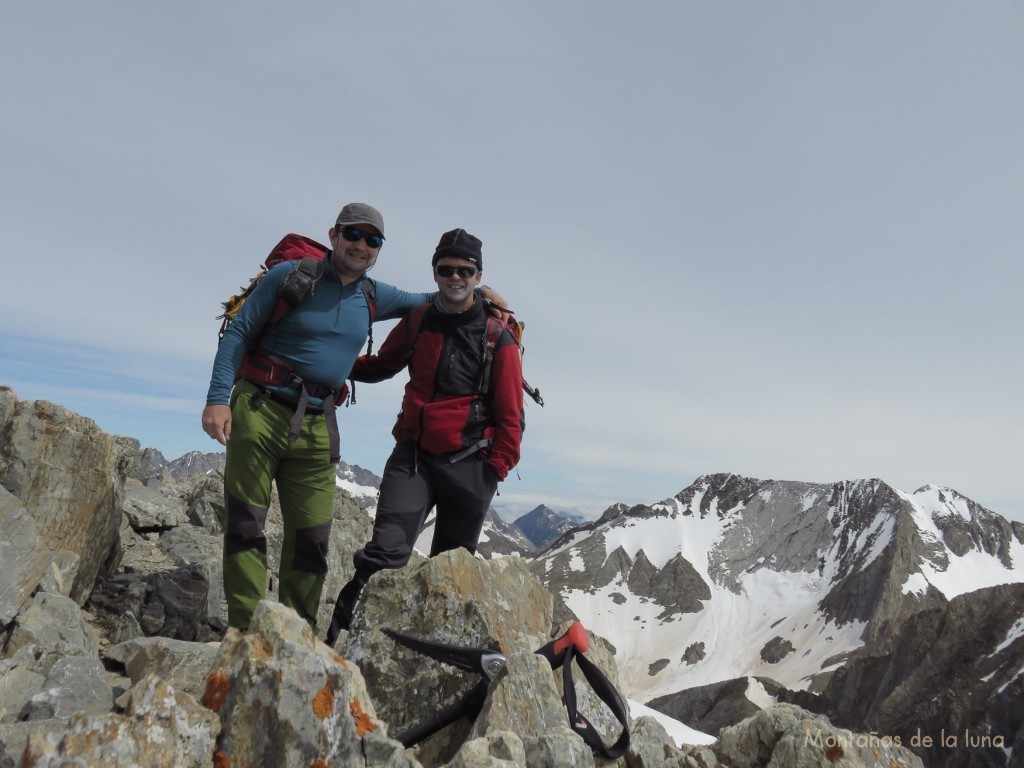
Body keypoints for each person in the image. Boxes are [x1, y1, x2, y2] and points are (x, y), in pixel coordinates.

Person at [202, 204, 505, 632]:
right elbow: (238, 331)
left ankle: (297, 635)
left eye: (372, 239)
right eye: (353, 235)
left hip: (317, 421)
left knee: (312, 536)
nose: (361, 245)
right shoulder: (289, 276)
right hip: (259, 408)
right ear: (334, 234)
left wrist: (484, 294)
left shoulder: (374, 295)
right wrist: (218, 398)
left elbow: (436, 300)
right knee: (247, 522)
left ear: (380, 249)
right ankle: (246, 633)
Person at [325, 228, 525, 645]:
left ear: (477, 274)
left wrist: (494, 471)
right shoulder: (418, 319)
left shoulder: (496, 337)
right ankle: (339, 641)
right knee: (384, 555)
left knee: (449, 572)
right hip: (414, 457)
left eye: (464, 270)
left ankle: (429, 657)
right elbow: (383, 365)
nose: (455, 277)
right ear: (434, 273)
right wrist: (332, 361)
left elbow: (511, 416)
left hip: (471, 466)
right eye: (446, 269)